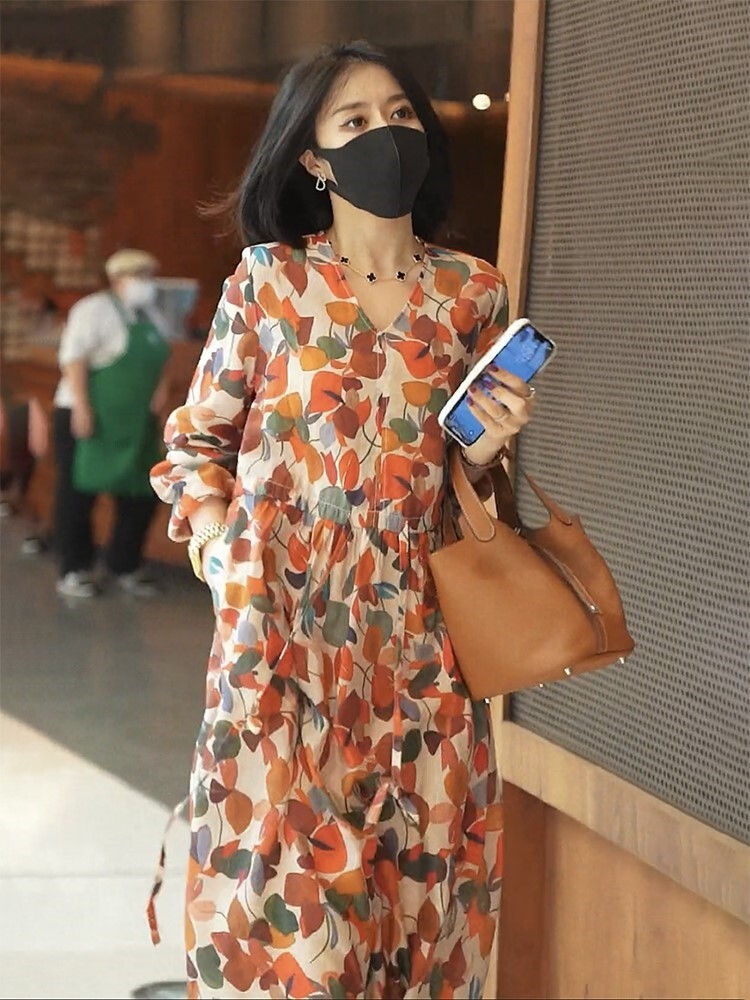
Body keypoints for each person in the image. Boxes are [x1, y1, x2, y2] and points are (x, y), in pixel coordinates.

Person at [151, 41, 535, 1000]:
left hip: (420, 639)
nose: (385, 134)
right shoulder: (270, 281)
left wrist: (483, 451)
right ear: (313, 158)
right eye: (355, 121)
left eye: (399, 114)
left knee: (420, 899)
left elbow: (470, 487)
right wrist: (223, 559)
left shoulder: (472, 292)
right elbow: (195, 447)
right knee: (292, 920)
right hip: (284, 633)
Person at [54, 249, 171, 598]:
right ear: (117, 278)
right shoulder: (93, 310)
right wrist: (82, 408)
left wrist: (161, 392)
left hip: (136, 421)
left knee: (141, 494)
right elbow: (74, 360)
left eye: (148, 275)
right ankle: (75, 569)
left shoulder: (152, 315)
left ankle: (125, 564)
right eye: (139, 276)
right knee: (78, 493)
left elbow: (163, 359)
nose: (146, 283)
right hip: (87, 415)